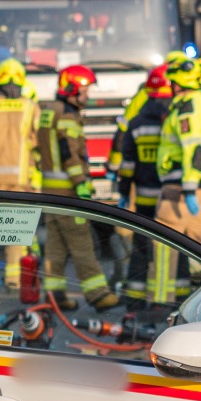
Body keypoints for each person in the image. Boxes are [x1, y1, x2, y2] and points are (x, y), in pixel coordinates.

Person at [36, 64, 120, 311]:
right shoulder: (67, 116)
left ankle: (55, 297)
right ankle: (98, 295)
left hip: (49, 192)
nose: (88, 96)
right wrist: (81, 183)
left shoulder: (48, 111)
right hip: (67, 192)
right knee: (82, 243)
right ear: (72, 89)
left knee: (55, 248)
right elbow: (69, 153)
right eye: (85, 90)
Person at [0, 57, 43, 285]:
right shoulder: (31, 107)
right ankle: (13, 281)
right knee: (16, 233)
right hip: (20, 181)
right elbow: (38, 141)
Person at [109, 66, 173, 299]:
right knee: (169, 250)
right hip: (169, 198)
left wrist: (124, 191)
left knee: (140, 246)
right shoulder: (172, 122)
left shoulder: (136, 124)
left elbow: (127, 165)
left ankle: (134, 299)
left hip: (143, 198)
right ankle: (168, 298)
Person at [156, 53, 201, 244]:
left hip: (182, 184)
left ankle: (164, 276)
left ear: (177, 84)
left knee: (163, 238)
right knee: (200, 240)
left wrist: (188, 189)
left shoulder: (186, 110)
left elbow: (194, 151)